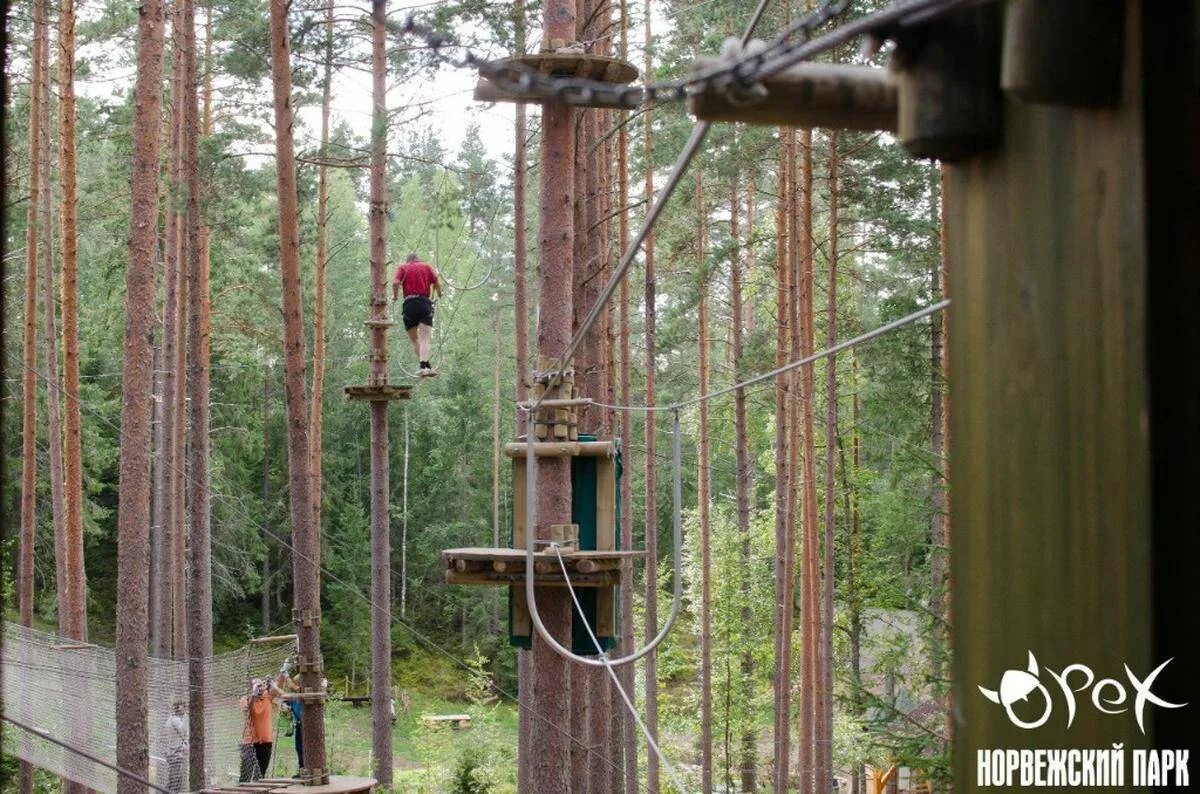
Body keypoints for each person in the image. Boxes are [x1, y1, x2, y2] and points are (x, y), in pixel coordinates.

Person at [391, 253, 443, 377]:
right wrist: (440, 293)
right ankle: (424, 365)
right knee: (425, 338)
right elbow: (436, 283)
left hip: (409, 304)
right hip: (424, 304)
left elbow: (395, 283)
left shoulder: (403, 267)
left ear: (408, 260)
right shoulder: (427, 267)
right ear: (418, 259)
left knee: (415, 339)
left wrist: (395, 296)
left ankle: (424, 365)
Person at [238, 677, 284, 781]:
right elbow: (248, 709)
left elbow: (280, 691)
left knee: (260, 775)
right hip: (249, 742)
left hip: (265, 741)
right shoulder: (246, 699)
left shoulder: (267, 697)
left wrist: (273, 683)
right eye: (256, 686)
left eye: (260, 685)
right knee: (245, 775)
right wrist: (253, 695)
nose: (259, 688)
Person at [159, 699, 188, 793]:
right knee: (175, 780)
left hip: (173, 752)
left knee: (174, 779)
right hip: (175, 753)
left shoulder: (171, 719)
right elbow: (184, 731)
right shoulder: (175, 720)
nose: (185, 709)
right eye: (183, 707)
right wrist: (186, 718)